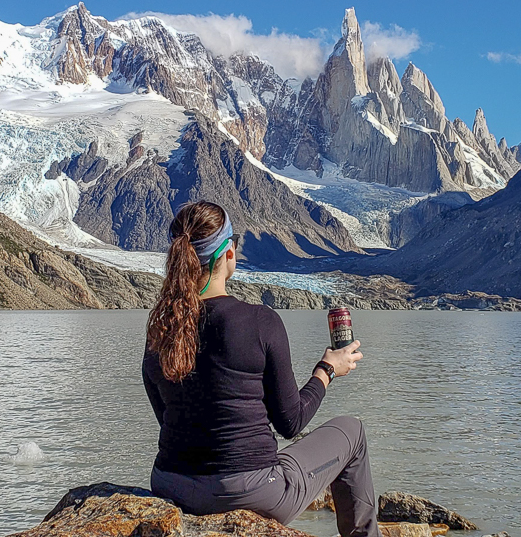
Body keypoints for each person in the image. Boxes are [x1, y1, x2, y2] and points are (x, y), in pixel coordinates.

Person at [143, 201, 377, 537]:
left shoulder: (160, 330)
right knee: (352, 431)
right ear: (228, 253)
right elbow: (290, 422)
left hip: (171, 486)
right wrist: (327, 369)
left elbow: (167, 418)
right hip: (251, 491)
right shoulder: (258, 321)